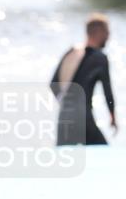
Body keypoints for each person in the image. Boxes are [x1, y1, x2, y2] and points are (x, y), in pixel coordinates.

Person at [50, 13, 118, 146]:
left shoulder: (71, 52)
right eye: (107, 32)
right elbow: (107, 92)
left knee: (63, 160)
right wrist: (113, 117)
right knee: (104, 154)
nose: (108, 37)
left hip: (64, 117)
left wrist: (67, 105)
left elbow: (53, 84)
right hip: (83, 116)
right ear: (99, 32)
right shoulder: (100, 58)